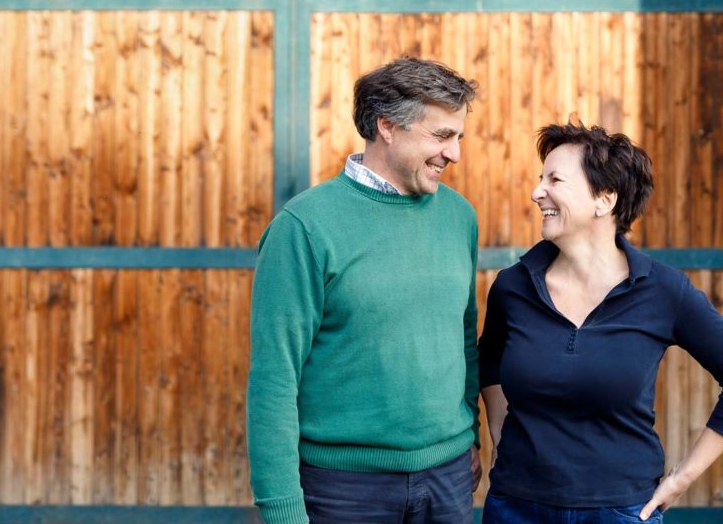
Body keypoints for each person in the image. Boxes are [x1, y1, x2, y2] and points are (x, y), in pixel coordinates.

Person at [247, 57, 482, 524]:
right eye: (441, 136)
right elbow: (274, 380)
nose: (453, 154)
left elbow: (463, 338)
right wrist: (282, 511)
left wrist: (471, 436)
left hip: (449, 481)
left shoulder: (459, 217)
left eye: (458, 137)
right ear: (387, 127)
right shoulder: (304, 228)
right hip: (343, 491)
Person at [479, 122, 723, 523]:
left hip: (621, 510)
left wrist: (683, 478)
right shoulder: (512, 286)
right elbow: (489, 364)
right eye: (540, 179)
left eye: (554, 179)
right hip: (516, 507)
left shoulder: (664, 290)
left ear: (605, 199)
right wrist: (503, 434)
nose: (537, 192)